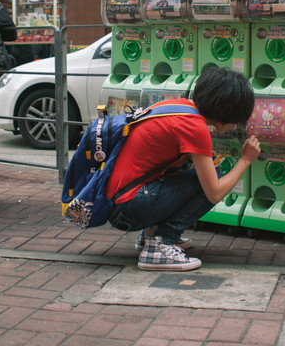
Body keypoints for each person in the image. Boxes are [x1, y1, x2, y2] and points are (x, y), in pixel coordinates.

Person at [106, 67, 260, 271]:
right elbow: (214, 193)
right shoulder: (195, 127)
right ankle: (161, 243)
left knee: (198, 173)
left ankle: (152, 234)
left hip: (119, 202)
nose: (237, 124)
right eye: (238, 118)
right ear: (225, 110)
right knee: (214, 180)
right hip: (128, 208)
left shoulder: (179, 107)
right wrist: (245, 160)